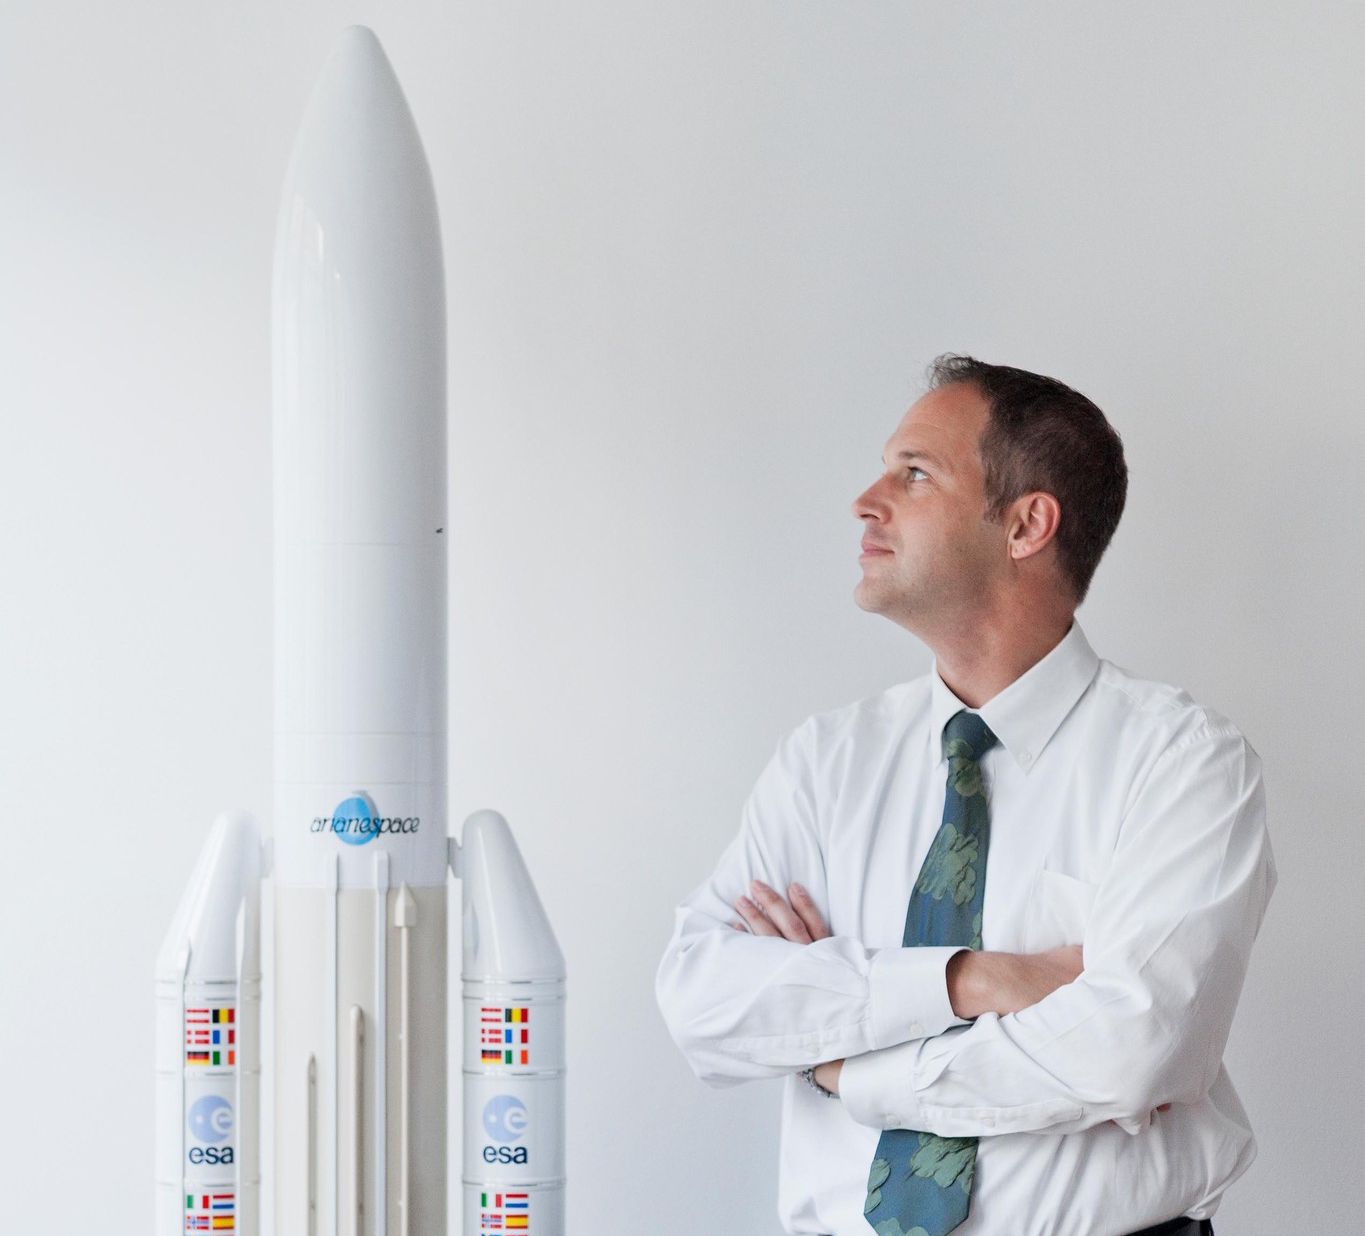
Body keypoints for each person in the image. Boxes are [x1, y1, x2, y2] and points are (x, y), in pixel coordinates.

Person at [654, 355, 1277, 1236]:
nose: (865, 502)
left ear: (1025, 524)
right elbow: (704, 1001)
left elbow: (1129, 1053)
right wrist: (969, 980)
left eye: (913, 473)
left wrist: (845, 1065)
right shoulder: (826, 761)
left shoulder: (1181, 764)